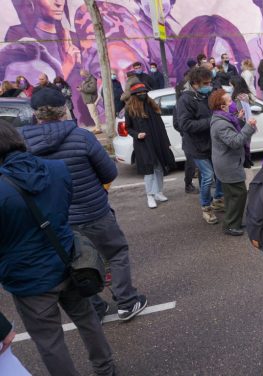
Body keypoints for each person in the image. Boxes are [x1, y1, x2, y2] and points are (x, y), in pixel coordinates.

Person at [20, 88, 148, 322]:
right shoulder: (81, 137)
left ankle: (95, 308)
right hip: (93, 211)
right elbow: (109, 172)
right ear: (64, 109)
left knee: (74, 263)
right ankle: (126, 302)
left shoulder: (23, 145)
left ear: (35, 113)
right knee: (116, 253)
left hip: (56, 219)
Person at [0, 121, 116, 376]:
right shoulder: (57, 169)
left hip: (28, 279)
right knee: (87, 318)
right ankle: (106, 368)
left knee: (49, 340)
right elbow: (63, 209)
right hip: (69, 260)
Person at [177, 67, 224, 224]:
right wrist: (210, 122)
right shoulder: (185, 99)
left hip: (212, 143)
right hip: (196, 146)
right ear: (195, 83)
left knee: (220, 173)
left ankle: (218, 199)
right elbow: (184, 124)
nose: (209, 85)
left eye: (210, 82)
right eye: (205, 83)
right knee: (207, 176)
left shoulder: (208, 95)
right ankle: (206, 207)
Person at [209, 89, 257, 236]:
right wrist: (249, 127)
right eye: (229, 101)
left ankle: (233, 222)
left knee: (232, 195)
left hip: (227, 163)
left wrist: (239, 118)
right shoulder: (221, 124)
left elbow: (233, 127)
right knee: (239, 194)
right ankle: (230, 225)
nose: (233, 104)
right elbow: (235, 142)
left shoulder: (223, 118)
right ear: (222, 107)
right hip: (228, 165)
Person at [124, 83, 176, 208]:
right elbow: (128, 128)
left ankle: (158, 192)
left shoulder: (152, 105)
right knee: (149, 170)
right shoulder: (130, 109)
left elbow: (161, 126)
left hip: (158, 141)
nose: (143, 95)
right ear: (134, 95)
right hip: (143, 144)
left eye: (144, 92)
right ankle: (150, 195)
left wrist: (166, 143)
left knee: (160, 168)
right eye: (140, 93)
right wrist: (137, 135)